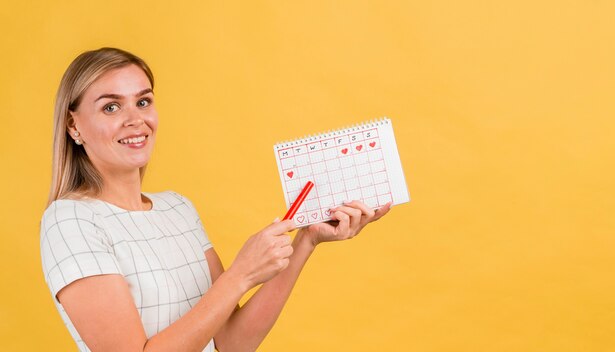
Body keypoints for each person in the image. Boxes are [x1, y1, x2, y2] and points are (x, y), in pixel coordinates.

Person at [40, 47, 391, 352]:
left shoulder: (178, 209)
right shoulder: (71, 221)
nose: (136, 120)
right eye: (111, 107)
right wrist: (239, 275)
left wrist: (306, 239)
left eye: (143, 101)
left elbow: (233, 343)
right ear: (74, 127)